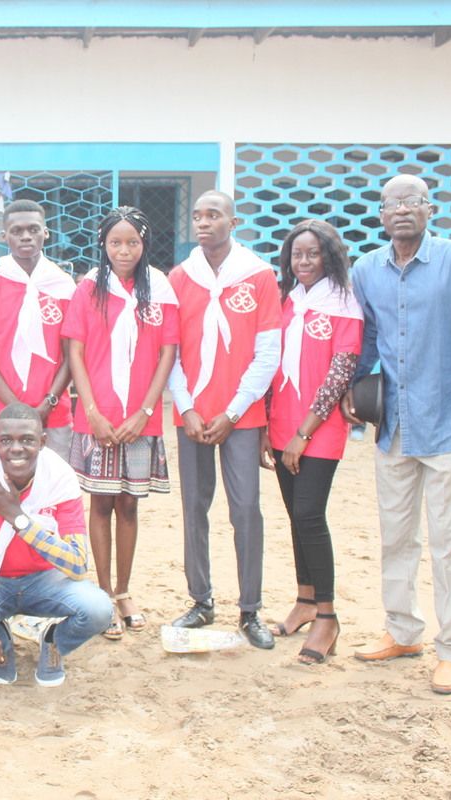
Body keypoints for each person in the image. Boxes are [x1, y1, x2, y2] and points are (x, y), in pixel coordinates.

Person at [344, 174, 451, 695]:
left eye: (412, 201)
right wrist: (350, 395)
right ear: (382, 214)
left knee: (448, 542)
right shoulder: (367, 269)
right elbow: (366, 342)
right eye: (393, 203)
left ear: (429, 209)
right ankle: (403, 631)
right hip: (393, 429)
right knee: (395, 537)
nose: (402, 210)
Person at [166, 190, 281, 649]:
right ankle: (201, 600)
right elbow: (169, 352)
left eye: (213, 215)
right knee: (194, 508)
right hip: (191, 414)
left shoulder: (258, 276)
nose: (203, 223)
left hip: (242, 414)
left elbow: (268, 350)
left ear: (233, 221)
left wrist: (233, 411)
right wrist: (188, 407)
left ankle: (250, 610)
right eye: (197, 216)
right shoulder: (180, 277)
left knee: (246, 510)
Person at [62, 207, 179, 639]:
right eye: (115, 242)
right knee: (100, 503)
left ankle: (125, 591)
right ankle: (102, 592)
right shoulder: (89, 289)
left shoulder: (161, 290)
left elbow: (167, 353)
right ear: (103, 244)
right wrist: (90, 410)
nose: (124, 250)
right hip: (96, 415)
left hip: (139, 418)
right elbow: (75, 351)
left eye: (132, 242)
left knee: (129, 504)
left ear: (145, 243)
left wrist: (146, 412)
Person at [0, 403, 112, 686]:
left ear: (43, 442)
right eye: (6, 441)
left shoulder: (60, 477)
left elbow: (78, 564)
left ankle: (54, 642)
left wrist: (17, 518)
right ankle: (1, 645)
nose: (16, 449)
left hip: (45, 579)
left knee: (99, 609)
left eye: (27, 440)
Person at [259, 220, 363, 665]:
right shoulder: (286, 302)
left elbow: (339, 375)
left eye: (312, 254)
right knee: (294, 516)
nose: (303, 262)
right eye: (296, 255)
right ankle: (304, 600)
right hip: (280, 425)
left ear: (330, 257)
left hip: (317, 431)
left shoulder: (344, 305)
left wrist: (303, 434)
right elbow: (269, 362)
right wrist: (268, 425)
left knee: (309, 514)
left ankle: (327, 615)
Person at [0, 199, 76, 462]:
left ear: (46, 232)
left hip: (53, 413)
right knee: (2, 490)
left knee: (53, 491)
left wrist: (47, 403)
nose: (26, 236)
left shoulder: (63, 285)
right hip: (0, 413)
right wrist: (16, 408)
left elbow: (72, 355)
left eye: (33, 229)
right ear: (4, 236)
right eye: (17, 231)